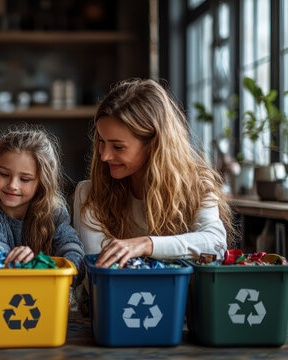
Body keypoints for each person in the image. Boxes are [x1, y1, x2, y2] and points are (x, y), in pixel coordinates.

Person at [74, 78, 235, 268]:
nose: (104, 156)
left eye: (118, 146)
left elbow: (214, 243)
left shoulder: (199, 186)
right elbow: (99, 269)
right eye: (101, 141)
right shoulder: (89, 194)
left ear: (153, 145)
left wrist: (146, 244)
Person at [0, 126, 85, 282]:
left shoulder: (55, 214)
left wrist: (63, 268)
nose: (12, 185)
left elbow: (72, 249)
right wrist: (10, 260)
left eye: (24, 179)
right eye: (4, 174)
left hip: (47, 300)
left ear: (42, 182)